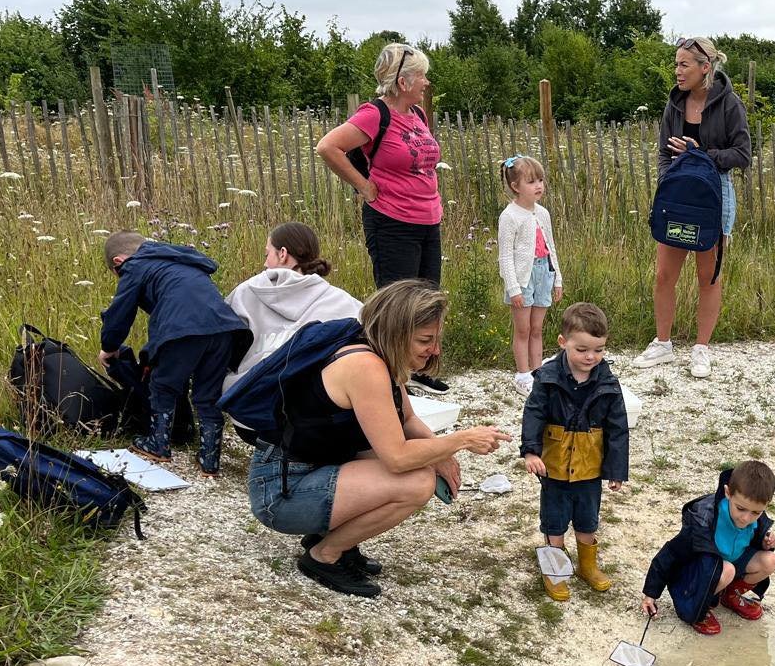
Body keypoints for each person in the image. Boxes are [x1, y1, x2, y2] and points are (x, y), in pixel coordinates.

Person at [246, 280, 510, 598]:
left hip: (308, 466)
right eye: (425, 340)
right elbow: (396, 456)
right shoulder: (364, 366)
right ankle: (324, 556)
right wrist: (461, 440)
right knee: (415, 482)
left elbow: (408, 419)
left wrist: (440, 454)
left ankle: (331, 538)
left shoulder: (377, 352)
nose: (435, 350)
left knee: (416, 464)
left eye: (436, 339)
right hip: (280, 493)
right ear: (396, 333)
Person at [315, 42, 447, 390]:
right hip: (392, 221)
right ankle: (390, 374)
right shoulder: (375, 114)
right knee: (397, 302)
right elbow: (328, 146)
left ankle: (417, 369)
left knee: (427, 297)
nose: (426, 83)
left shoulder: (416, 116)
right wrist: (363, 186)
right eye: (422, 76)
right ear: (403, 83)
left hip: (426, 219)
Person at [629, 37, 751, 380]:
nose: (677, 72)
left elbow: (742, 155)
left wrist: (700, 153)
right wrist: (669, 183)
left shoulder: (730, 104)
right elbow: (664, 153)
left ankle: (701, 349)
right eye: (676, 64)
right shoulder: (675, 104)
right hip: (676, 194)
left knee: (707, 275)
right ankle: (663, 344)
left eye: (684, 65)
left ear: (705, 68)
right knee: (664, 274)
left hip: (715, 194)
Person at [97, 232, 252, 477]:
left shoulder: (134, 265)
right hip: (225, 329)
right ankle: (209, 460)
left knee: (163, 386)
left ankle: (158, 444)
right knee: (207, 395)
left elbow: (120, 313)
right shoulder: (181, 260)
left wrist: (109, 346)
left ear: (118, 262)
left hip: (183, 331)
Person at [520, 303, 629, 601]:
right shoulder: (547, 378)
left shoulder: (608, 382)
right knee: (554, 521)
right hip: (553, 467)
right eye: (582, 350)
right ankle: (555, 571)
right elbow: (533, 414)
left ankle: (587, 566)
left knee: (587, 520)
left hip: (589, 468)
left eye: (599, 350)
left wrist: (616, 470)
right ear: (562, 342)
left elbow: (618, 428)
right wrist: (531, 452)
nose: (591, 357)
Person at [641, 461, 775, 636]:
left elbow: (752, 542)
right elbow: (670, 554)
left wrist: (765, 544)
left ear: (766, 505)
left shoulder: (754, 514)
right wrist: (650, 594)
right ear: (728, 492)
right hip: (698, 574)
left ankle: (730, 596)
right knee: (726, 570)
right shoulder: (704, 518)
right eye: (740, 509)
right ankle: (700, 605)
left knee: (770, 560)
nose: (746, 518)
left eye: (755, 512)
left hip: (728, 564)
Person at [223, 222, 360, 393]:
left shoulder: (246, 292)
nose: (265, 264)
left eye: (267, 255)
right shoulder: (342, 301)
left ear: (282, 254)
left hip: (251, 398)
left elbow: (221, 344)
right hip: (318, 401)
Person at [497, 155, 563, 397]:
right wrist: (513, 288)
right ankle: (522, 374)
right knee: (523, 329)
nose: (539, 186)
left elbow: (551, 247)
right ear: (516, 187)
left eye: (541, 180)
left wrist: (557, 279)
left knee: (537, 328)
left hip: (543, 273)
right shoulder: (509, 216)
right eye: (531, 181)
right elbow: (505, 256)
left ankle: (538, 372)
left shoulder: (542, 213)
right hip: (523, 279)